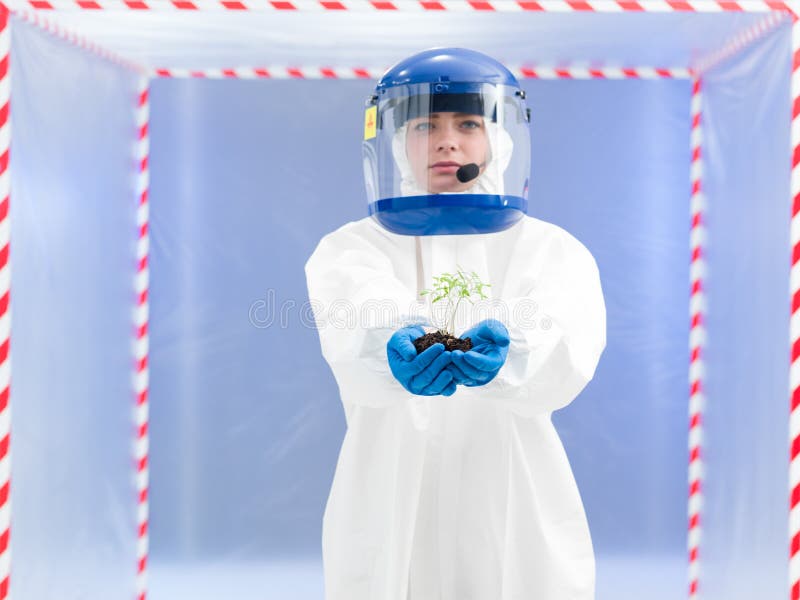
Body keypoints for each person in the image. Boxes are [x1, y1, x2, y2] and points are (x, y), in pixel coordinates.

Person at [305, 47, 606, 600]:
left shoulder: (548, 250)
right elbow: (358, 307)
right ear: (395, 140)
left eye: (469, 123)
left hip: (511, 478)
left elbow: (564, 336)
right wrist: (388, 344)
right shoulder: (352, 248)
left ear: (501, 138)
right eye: (425, 124)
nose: (448, 141)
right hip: (389, 479)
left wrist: (515, 353)